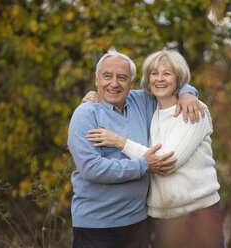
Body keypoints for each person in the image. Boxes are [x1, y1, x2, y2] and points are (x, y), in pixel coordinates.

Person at [86, 50, 223, 248]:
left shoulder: (194, 111)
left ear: (179, 79)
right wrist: (94, 94)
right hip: (158, 219)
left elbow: (167, 162)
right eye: (154, 73)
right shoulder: (148, 108)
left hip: (197, 215)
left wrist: (120, 142)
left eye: (167, 73)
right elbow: (114, 90)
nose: (159, 79)